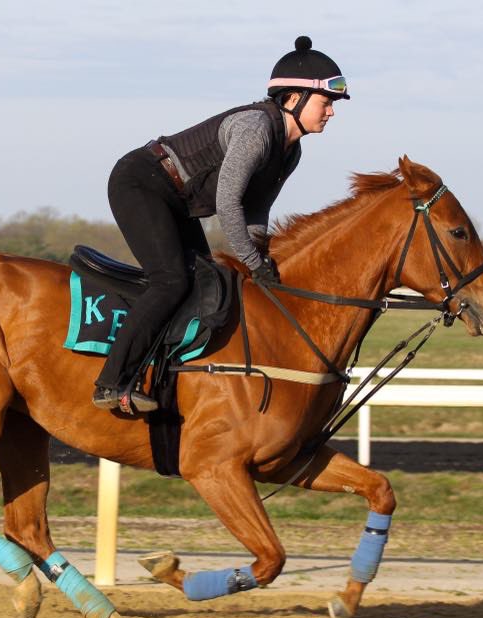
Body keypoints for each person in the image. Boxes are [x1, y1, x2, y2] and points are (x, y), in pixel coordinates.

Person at [92, 35, 350, 414]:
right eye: (327, 102)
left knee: (207, 283)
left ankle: (165, 377)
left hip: (176, 200)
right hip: (141, 182)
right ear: (293, 99)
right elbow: (229, 204)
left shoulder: (290, 151)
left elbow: (256, 211)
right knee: (172, 280)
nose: (331, 112)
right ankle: (111, 382)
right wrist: (252, 262)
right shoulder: (256, 130)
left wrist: (261, 259)